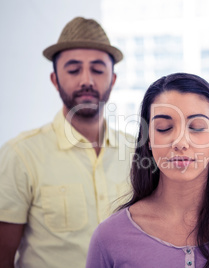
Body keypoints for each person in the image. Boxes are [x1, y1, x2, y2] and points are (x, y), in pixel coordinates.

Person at [86, 73, 209, 268]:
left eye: (196, 127)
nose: (180, 142)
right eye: (164, 128)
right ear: (148, 140)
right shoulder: (109, 237)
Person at [0, 17, 134, 268]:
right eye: (73, 70)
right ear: (54, 79)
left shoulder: (138, 152)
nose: (86, 80)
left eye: (97, 69)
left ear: (113, 80)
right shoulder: (20, 155)